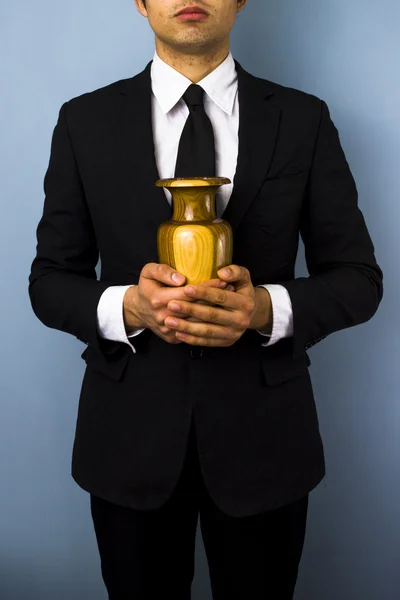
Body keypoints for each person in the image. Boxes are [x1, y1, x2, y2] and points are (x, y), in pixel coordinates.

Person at [28, 1, 383, 598]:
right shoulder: (83, 121)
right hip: (127, 445)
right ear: (140, 2)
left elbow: (357, 278)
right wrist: (128, 309)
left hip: (267, 443)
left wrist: (264, 309)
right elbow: (49, 281)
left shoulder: (303, 119)